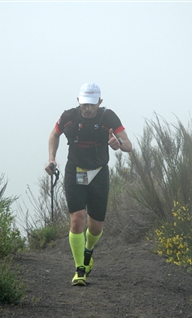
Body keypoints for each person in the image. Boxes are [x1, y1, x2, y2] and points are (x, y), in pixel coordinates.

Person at [45, 82, 132, 286]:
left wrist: (118, 145)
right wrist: (52, 158)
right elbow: (54, 134)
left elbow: (129, 145)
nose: (88, 108)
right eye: (84, 104)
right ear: (78, 101)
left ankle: (88, 250)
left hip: (99, 173)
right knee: (77, 218)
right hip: (75, 172)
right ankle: (80, 269)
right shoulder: (69, 117)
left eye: (92, 104)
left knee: (96, 226)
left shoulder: (108, 117)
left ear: (99, 102)